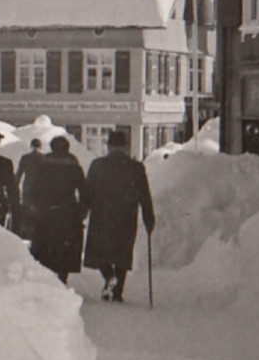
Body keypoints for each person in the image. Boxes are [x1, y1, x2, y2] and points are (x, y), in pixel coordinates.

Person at [83, 128, 156, 302]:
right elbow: (144, 194)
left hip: (102, 214)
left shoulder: (98, 165)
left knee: (100, 251)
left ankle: (109, 276)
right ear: (125, 147)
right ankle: (117, 291)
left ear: (109, 147)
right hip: (126, 215)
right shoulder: (136, 167)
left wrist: (82, 212)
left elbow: (88, 192)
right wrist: (148, 217)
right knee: (122, 252)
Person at [27, 136, 87, 283]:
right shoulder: (74, 165)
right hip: (67, 211)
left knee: (45, 244)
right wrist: (81, 211)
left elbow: (35, 188)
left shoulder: (45, 165)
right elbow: (84, 191)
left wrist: (34, 205)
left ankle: (47, 275)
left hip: (47, 211)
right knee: (65, 247)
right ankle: (63, 275)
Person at [13, 137, 45, 240]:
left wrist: (15, 186)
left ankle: (25, 233)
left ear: (31, 146)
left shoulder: (25, 158)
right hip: (40, 189)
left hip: (28, 188)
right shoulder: (45, 158)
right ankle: (37, 233)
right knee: (38, 211)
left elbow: (19, 174)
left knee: (27, 211)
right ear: (40, 146)